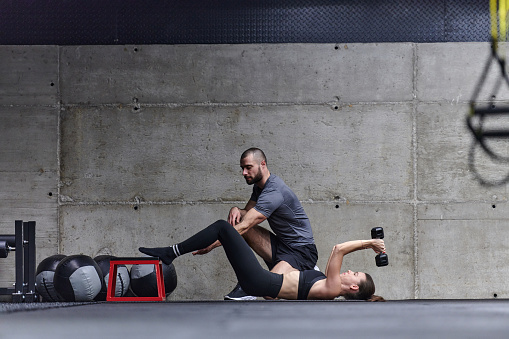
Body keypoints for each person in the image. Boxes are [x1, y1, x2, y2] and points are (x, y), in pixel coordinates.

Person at [139, 219, 386, 301]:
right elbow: (290, 277)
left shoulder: (332, 289)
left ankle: (170, 252)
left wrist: (370, 243)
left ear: (354, 287)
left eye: (355, 274)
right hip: (263, 282)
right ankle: (171, 253)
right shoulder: (324, 283)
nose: (350, 271)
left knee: (224, 228)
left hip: (259, 281)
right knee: (225, 230)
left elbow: (338, 249)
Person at [209, 148, 318, 300]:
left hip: (301, 251)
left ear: (263, 164)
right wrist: (236, 209)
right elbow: (246, 215)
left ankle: (307, 273)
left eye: (248, 167)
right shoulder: (259, 187)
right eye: (242, 168)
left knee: (269, 293)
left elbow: (246, 225)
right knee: (240, 220)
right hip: (282, 246)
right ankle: (251, 283)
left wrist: (211, 244)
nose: (244, 173)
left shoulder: (274, 191)